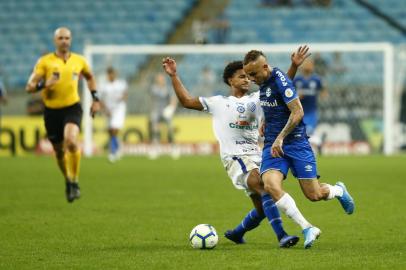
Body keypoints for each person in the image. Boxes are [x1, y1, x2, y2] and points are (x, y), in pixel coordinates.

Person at [162, 46, 311, 248]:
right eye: (241, 76)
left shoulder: (257, 99)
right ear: (230, 80)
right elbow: (187, 101)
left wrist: (293, 66)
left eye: (248, 76)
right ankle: (282, 235)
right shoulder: (218, 103)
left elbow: (278, 88)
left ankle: (237, 233)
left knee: (262, 207)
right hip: (235, 157)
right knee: (262, 185)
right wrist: (174, 76)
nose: (247, 80)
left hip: (257, 155)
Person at [243, 49, 355, 248]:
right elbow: (276, 95)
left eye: (253, 74)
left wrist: (280, 137)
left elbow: (298, 112)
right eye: (248, 74)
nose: (250, 79)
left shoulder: (277, 78)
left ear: (265, 67)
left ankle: (337, 190)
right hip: (272, 146)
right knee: (270, 185)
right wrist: (265, 121)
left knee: (314, 195)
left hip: (295, 143)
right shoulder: (265, 81)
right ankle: (307, 227)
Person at [26, 27, 101, 203]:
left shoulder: (79, 61)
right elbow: (29, 86)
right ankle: (68, 180)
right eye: (61, 38)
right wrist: (44, 84)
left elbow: (90, 77)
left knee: (72, 141)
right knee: (59, 151)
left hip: (72, 107)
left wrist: (95, 99)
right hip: (52, 112)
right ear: (55, 41)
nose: (64, 41)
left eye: (67, 38)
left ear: (71, 40)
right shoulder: (45, 62)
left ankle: (74, 181)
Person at [293, 59, 327, 153]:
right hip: (299, 112)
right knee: (301, 133)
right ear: (302, 66)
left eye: (310, 64)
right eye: (307, 64)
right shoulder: (297, 79)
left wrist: (323, 95)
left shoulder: (317, 79)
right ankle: (317, 143)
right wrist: (297, 96)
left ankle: (314, 147)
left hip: (312, 111)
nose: (308, 66)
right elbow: (289, 94)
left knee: (308, 131)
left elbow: (324, 91)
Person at [99, 67, 128, 162]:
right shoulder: (104, 86)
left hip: (119, 109)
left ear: (115, 74)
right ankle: (118, 146)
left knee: (114, 129)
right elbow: (101, 99)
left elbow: (125, 94)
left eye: (112, 74)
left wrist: (121, 99)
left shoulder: (121, 84)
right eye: (109, 74)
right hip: (108, 110)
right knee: (110, 131)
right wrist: (106, 110)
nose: (111, 76)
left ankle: (112, 152)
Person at [148, 72, 178, 159]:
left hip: (165, 111)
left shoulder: (168, 88)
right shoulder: (153, 88)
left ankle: (174, 148)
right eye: (159, 78)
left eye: (162, 78)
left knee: (170, 129)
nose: (160, 80)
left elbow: (173, 99)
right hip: (156, 111)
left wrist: (171, 108)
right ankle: (155, 148)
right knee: (155, 129)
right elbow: (151, 100)